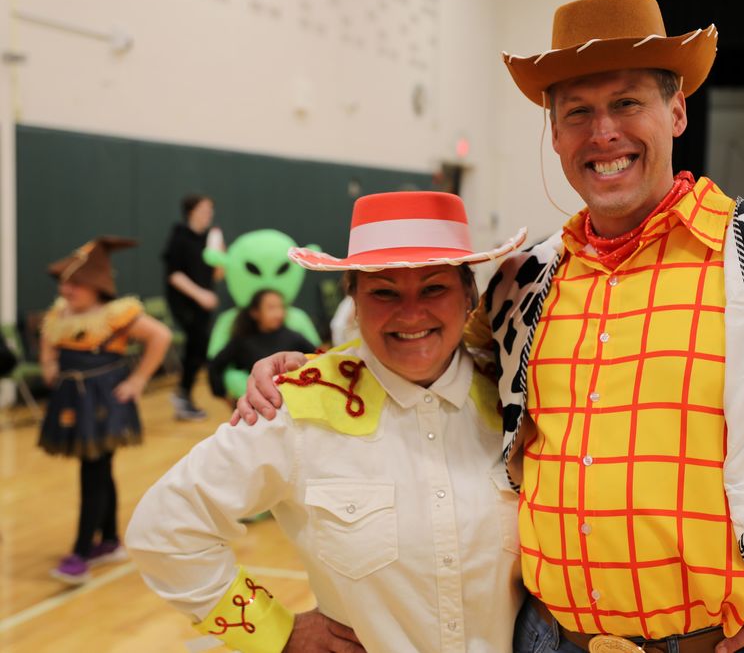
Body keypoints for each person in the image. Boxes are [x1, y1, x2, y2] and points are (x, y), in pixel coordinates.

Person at [236, 0, 744, 653]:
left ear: (677, 111)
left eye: (627, 103)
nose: (604, 134)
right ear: (554, 132)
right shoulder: (522, 285)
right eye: (578, 113)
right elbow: (417, 350)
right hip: (543, 637)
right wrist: (303, 367)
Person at [126, 191, 529, 652]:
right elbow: (162, 528)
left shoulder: (514, 397)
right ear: (354, 302)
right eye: (383, 291)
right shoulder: (293, 407)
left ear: (469, 296)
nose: (411, 312)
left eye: (434, 287)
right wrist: (276, 631)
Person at [39, 236, 171, 584]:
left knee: (93, 471)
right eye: (64, 283)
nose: (67, 290)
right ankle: (109, 540)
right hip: (73, 402)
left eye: (75, 284)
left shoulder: (115, 316)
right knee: (99, 468)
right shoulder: (60, 314)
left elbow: (160, 336)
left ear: (96, 286)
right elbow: (48, 340)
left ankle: (82, 551)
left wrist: (139, 380)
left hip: (103, 402)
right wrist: (49, 363)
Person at [163, 193, 222, 420]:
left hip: (202, 305)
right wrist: (200, 295)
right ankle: (183, 396)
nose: (209, 214)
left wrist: (221, 256)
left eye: (210, 210)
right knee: (198, 345)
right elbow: (174, 275)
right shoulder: (179, 237)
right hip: (186, 304)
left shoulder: (207, 240)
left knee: (197, 349)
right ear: (191, 211)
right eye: (205, 209)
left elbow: (216, 274)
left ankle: (183, 395)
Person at [207, 289, 318, 403]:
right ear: (255, 312)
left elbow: (318, 357)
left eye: (281, 307)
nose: (278, 313)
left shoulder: (293, 336)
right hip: (256, 403)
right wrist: (224, 396)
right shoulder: (242, 341)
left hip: (292, 401)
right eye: (271, 308)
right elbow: (215, 366)